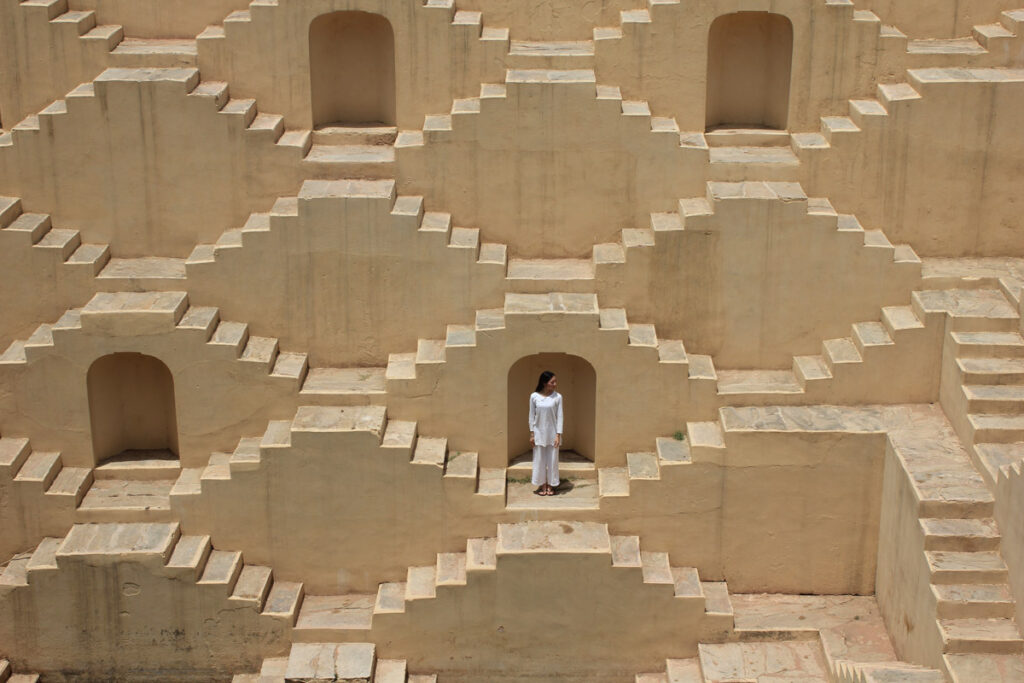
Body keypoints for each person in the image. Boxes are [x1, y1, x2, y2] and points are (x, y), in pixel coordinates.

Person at [529, 370, 563, 496]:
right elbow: (531, 416)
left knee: (552, 461)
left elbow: (560, 417)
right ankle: (542, 484)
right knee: (539, 460)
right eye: (552, 382)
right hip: (538, 433)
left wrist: (558, 435)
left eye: (555, 382)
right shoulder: (534, 396)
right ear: (544, 383)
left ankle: (551, 484)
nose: (555, 384)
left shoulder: (558, 397)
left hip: (553, 434)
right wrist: (532, 434)